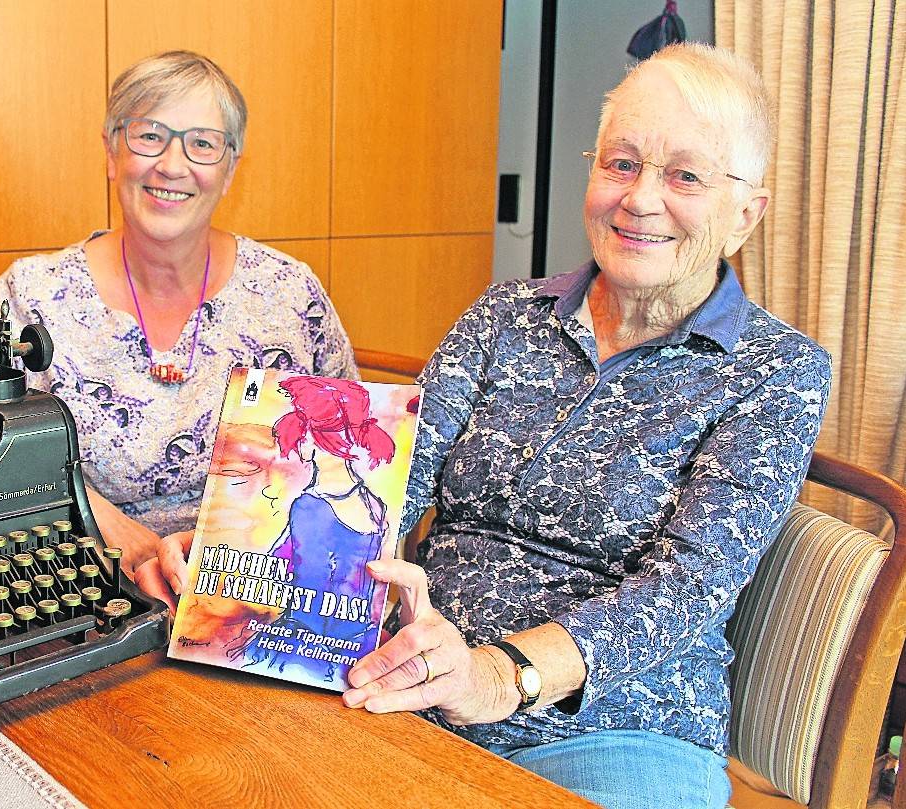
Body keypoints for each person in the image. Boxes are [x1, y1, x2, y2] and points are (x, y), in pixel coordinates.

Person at [337, 43, 831, 809]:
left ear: (744, 215)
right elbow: (390, 483)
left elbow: (687, 586)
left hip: (615, 729)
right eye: (622, 163)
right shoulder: (506, 315)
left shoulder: (775, 371)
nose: (640, 199)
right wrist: (254, 563)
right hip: (416, 675)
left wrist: (502, 674)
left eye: (685, 176)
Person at [0, 51, 357, 582]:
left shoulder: (289, 293)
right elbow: (3, 456)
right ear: (112, 150)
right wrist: (119, 536)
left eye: (202, 144)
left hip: (263, 582)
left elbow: (345, 452)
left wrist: (223, 558)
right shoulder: (32, 294)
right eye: (149, 136)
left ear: (231, 168)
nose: (171, 164)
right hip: (84, 575)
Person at [226, 376, 396, 684]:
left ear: (314, 439)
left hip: (306, 646)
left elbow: (310, 587)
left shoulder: (309, 507)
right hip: (357, 644)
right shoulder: (375, 504)